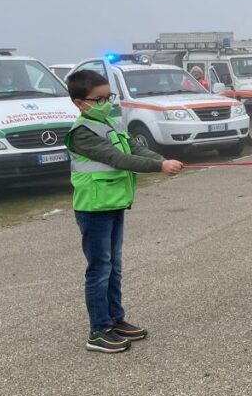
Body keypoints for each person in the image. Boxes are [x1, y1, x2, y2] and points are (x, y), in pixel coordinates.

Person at [64, 70, 184, 353]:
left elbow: (134, 148)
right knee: (99, 269)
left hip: (114, 202)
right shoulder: (82, 133)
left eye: (109, 97)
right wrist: (159, 167)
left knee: (114, 266)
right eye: (99, 99)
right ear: (80, 103)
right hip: (94, 207)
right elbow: (118, 158)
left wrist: (163, 160)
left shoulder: (110, 122)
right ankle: (98, 330)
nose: (106, 103)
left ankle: (115, 319)